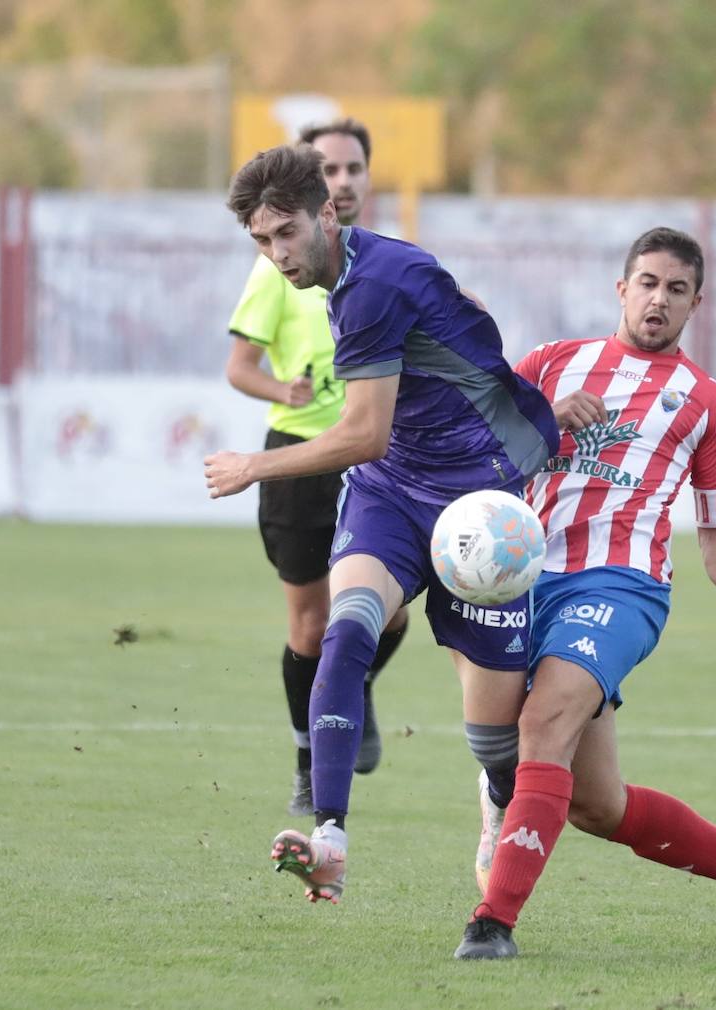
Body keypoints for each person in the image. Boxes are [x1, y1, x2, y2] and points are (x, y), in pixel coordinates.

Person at [204, 143, 560, 904]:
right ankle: (329, 840)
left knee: (494, 734)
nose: (277, 254)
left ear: (326, 215)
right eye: (262, 241)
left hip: (479, 504)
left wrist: (252, 466)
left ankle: (498, 794)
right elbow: (463, 312)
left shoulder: (372, 285)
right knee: (348, 626)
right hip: (393, 490)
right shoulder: (356, 272)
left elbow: (363, 432)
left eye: (286, 233)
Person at [454, 227, 716, 961]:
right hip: (520, 580)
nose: (659, 300)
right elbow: (476, 449)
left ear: (696, 304)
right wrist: (545, 418)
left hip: (622, 586)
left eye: (676, 289)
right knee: (597, 805)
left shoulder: (708, 405)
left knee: (545, 721)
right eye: (648, 283)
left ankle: (491, 924)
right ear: (622, 289)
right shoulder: (551, 363)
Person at [224, 119, 409, 817]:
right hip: (301, 462)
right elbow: (239, 367)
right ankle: (309, 764)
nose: (343, 181)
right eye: (329, 169)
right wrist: (284, 390)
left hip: (381, 462)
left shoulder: (388, 264)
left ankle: (351, 687)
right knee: (310, 628)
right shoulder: (278, 266)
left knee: (389, 616)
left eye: (354, 168)